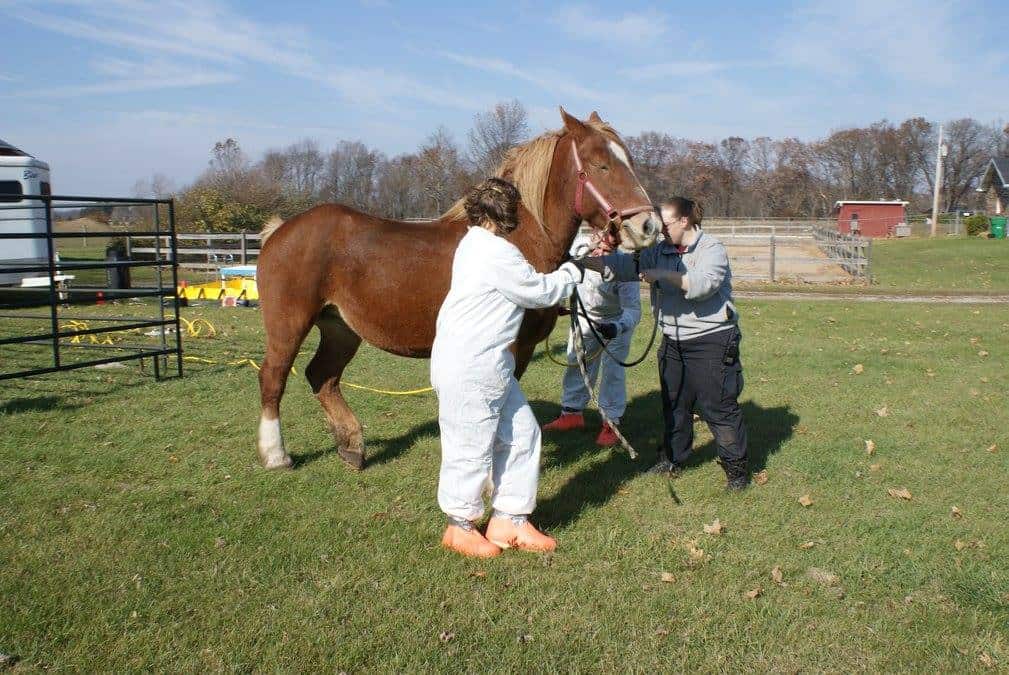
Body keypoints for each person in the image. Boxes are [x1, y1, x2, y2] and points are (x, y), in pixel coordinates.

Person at [431, 177, 586, 558]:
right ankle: (460, 526)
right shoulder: (493, 251)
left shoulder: (474, 244)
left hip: (489, 363)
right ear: (506, 212)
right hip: (473, 364)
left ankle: (509, 519)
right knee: (469, 444)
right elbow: (538, 291)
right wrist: (575, 272)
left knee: (523, 433)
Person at [579, 197, 749, 490]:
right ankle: (672, 458)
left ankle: (736, 471)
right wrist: (582, 262)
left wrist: (661, 275)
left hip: (712, 341)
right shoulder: (660, 250)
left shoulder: (712, 250)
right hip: (673, 341)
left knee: (718, 408)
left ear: (684, 221)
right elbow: (624, 266)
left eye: (666, 225)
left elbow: (700, 285)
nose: (660, 232)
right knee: (674, 405)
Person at [542, 228, 641, 446]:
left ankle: (611, 423)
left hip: (615, 320)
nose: (599, 251)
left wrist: (617, 327)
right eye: (598, 243)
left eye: (607, 248)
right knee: (576, 362)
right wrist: (560, 301)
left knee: (613, 372)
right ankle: (571, 414)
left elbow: (633, 310)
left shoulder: (625, 267)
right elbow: (564, 273)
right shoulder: (578, 247)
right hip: (584, 316)